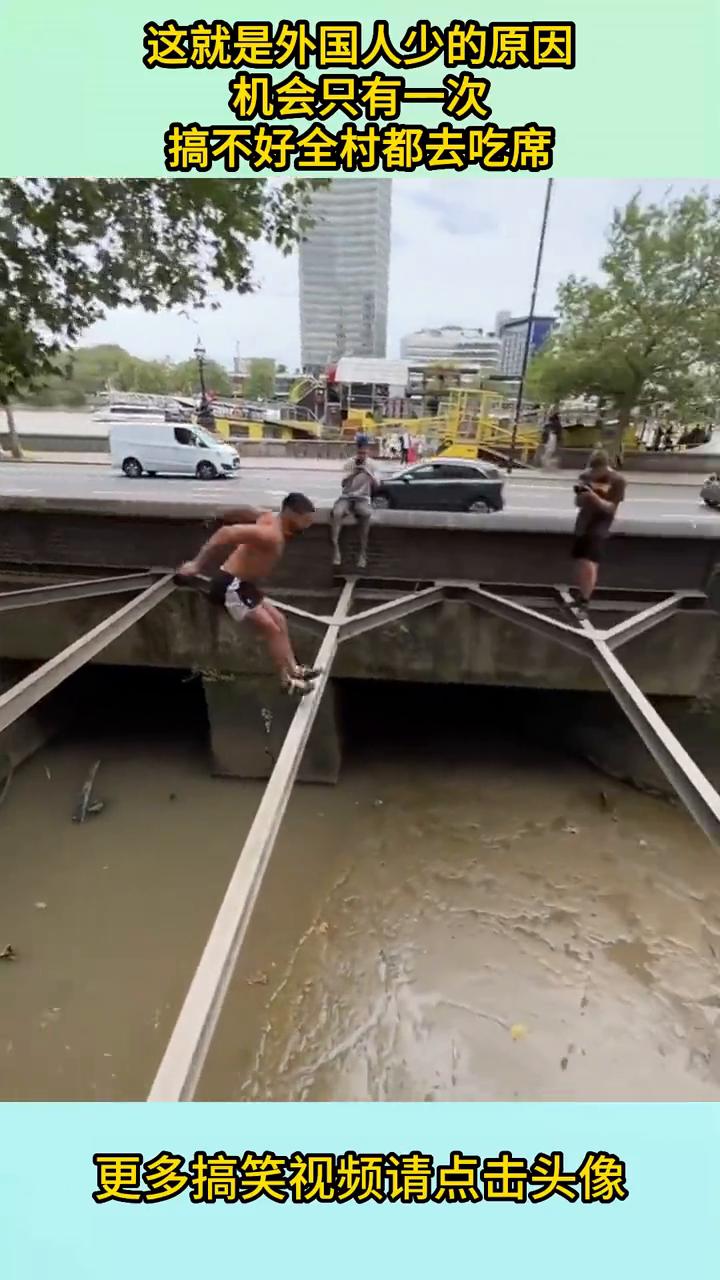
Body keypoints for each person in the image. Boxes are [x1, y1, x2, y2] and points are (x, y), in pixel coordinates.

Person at [177, 493, 318, 696]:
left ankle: (295, 670)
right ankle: (286, 681)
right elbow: (226, 533)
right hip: (229, 586)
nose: (308, 526)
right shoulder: (270, 534)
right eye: (305, 521)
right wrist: (196, 564)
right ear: (292, 515)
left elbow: (250, 510)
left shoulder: (269, 518)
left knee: (279, 621)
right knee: (271, 629)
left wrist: (221, 514)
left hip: (244, 584)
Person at [571, 449, 626, 608]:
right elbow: (578, 503)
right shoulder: (585, 477)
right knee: (581, 561)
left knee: (589, 561)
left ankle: (585, 600)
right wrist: (582, 495)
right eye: (591, 470)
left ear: (605, 468)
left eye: (596, 471)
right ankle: (581, 595)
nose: (593, 474)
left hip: (600, 524)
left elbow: (610, 508)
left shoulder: (617, 480)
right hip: (583, 522)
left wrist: (593, 496)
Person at [331, 440, 378, 570]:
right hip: (346, 496)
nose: (361, 455)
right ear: (356, 452)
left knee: (366, 514)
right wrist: (354, 473)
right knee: (337, 513)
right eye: (359, 453)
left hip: (362, 498)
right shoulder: (349, 463)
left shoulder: (372, 464)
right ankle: (336, 549)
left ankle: (362, 554)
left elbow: (377, 485)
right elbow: (343, 484)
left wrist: (367, 472)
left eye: (364, 453)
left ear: (368, 452)